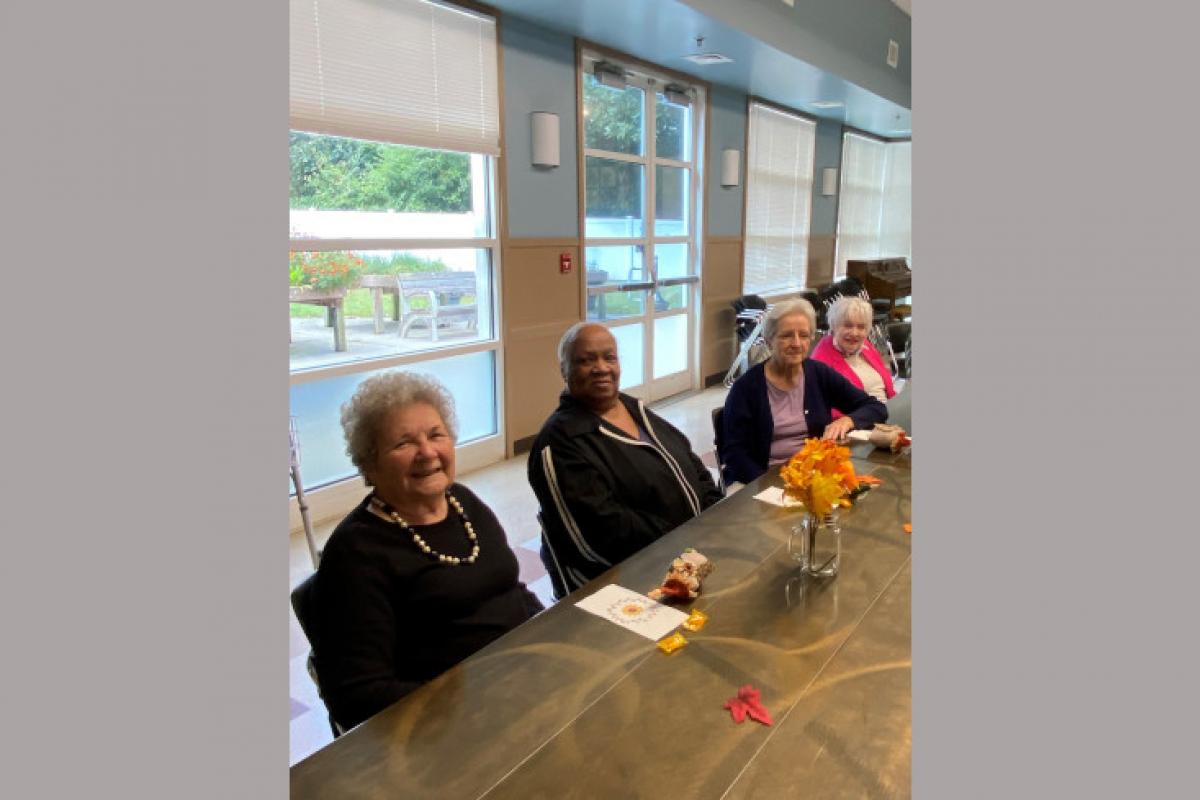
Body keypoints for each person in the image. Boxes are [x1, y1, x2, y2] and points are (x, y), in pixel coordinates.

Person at [311, 371, 543, 731]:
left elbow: (509, 588)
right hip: (451, 723)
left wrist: (549, 637)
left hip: (523, 683)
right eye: (403, 443)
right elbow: (357, 695)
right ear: (369, 465)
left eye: (436, 435)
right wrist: (473, 705)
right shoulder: (356, 554)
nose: (427, 452)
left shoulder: (463, 502)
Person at [528, 322, 723, 600]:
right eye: (585, 360)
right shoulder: (559, 444)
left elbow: (690, 464)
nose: (601, 368)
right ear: (564, 370)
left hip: (687, 559)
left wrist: (716, 518)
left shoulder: (635, 409)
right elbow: (602, 533)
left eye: (609, 357)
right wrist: (684, 541)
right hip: (628, 585)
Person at [721, 298, 888, 487]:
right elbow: (735, 454)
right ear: (769, 341)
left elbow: (876, 408)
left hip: (813, 475)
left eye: (804, 335)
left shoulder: (818, 373)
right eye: (786, 336)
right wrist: (770, 485)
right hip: (762, 479)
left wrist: (848, 420)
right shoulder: (746, 388)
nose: (797, 343)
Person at [809, 295, 896, 403]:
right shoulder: (821, 361)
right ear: (834, 326)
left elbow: (888, 387)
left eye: (861, 327)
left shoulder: (865, 347)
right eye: (848, 326)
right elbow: (827, 409)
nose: (854, 333)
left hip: (889, 409)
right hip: (862, 418)